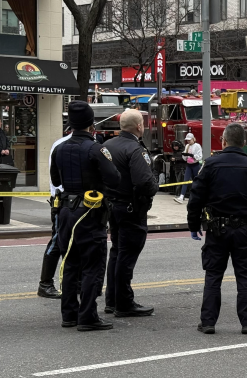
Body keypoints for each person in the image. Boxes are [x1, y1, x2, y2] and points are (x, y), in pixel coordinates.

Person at [187, 123, 247, 335]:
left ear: (223, 141)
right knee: (244, 276)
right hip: (244, 229)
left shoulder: (210, 164)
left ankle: (208, 322)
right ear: (243, 143)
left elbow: (195, 197)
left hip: (217, 229)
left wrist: (193, 225)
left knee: (213, 276)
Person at [50, 101, 120, 331]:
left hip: (66, 212)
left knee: (70, 263)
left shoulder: (59, 148)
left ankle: (69, 314)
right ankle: (88, 316)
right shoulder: (96, 148)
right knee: (93, 265)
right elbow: (114, 178)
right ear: (91, 124)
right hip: (89, 213)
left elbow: (56, 181)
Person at [102, 109, 159, 317]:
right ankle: (124, 303)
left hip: (112, 207)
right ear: (139, 126)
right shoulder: (135, 149)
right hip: (131, 208)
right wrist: (155, 187)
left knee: (117, 252)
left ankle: (112, 300)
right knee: (126, 255)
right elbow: (144, 181)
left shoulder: (107, 146)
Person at [37, 128, 73, 299]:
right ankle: (45, 284)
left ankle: (77, 282)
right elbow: (55, 178)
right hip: (62, 200)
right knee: (58, 241)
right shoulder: (61, 145)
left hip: (73, 200)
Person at [174, 133, 202, 204]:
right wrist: (185, 155)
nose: (188, 141)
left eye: (189, 140)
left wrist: (192, 155)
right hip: (189, 165)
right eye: (187, 140)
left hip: (195, 165)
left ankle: (198, 196)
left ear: (193, 139)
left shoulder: (197, 146)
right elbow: (185, 157)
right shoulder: (187, 146)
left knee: (196, 181)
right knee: (185, 180)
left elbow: (199, 156)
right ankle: (181, 196)